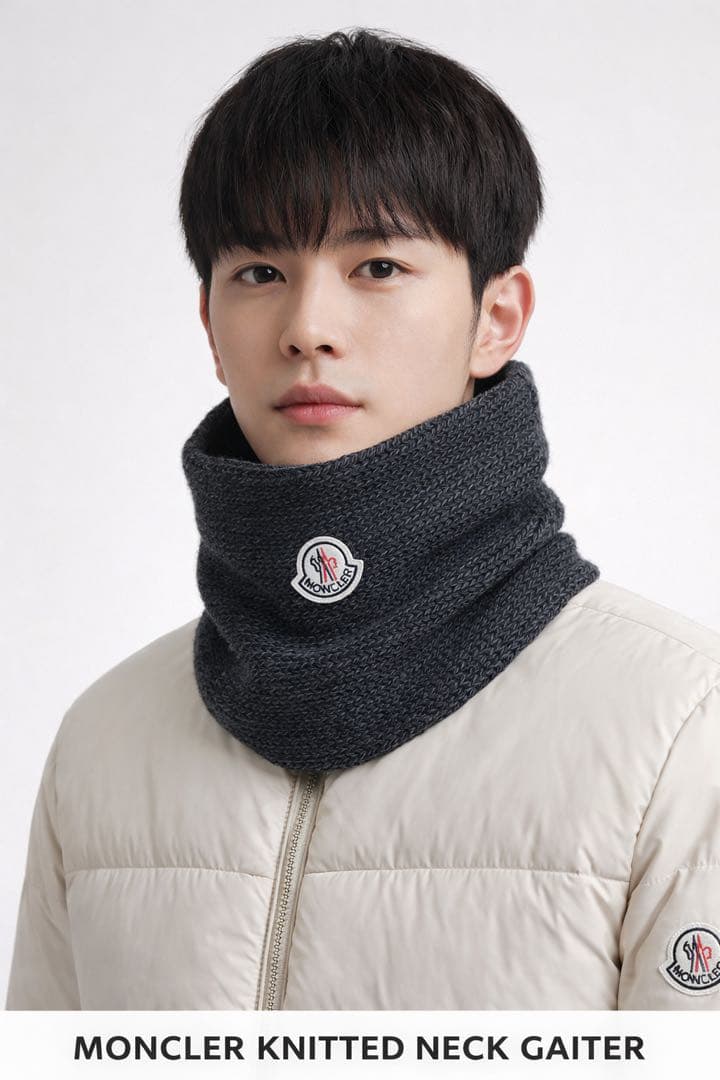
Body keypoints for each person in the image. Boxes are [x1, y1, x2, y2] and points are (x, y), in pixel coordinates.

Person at [6, 27, 720, 1011]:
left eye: (377, 267)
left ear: (497, 318)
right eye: (259, 272)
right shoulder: (105, 740)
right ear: (209, 326)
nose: (308, 328)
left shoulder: (680, 722)